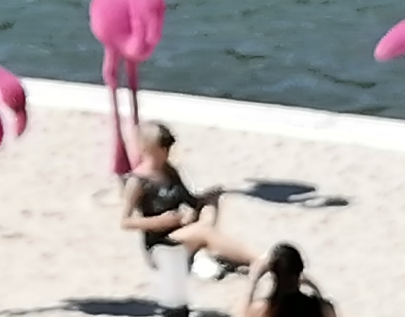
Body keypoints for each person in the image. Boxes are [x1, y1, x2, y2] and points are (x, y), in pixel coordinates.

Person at [120, 121, 260, 278]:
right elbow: (126, 222)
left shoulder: (170, 171)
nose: (167, 152)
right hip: (162, 242)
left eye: (168, 147)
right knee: (205, 231)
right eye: (163, 147)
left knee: (210, 204)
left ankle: (203, 250)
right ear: (149, 148)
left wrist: (199, 204)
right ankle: (256, 261)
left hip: (184, 227)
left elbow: (190, 200)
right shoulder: (138, 182)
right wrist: (161, 221)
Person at [244, 243, 336, 317]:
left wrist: (254, 280)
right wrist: (315, 287)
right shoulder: (321, 307)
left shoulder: (263, 309)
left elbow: (244, 313)